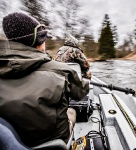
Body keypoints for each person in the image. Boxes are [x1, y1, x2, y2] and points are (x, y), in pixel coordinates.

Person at [0, 12, 89, 147]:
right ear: (39, 43)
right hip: (53, 142)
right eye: (44, 40)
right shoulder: (63, 70)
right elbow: (82, 91)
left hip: (14, 141)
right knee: (71, 111)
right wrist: (86, 77)